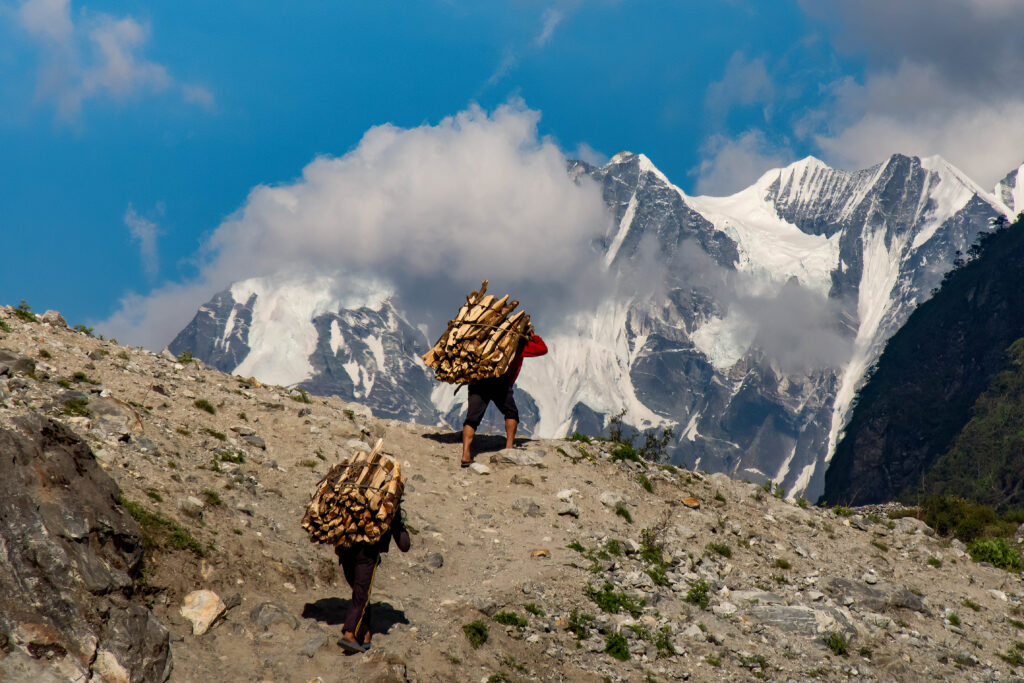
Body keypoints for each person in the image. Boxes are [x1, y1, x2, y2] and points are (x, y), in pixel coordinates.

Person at [461, 332, 547, 467]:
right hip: (499, 380)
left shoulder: (484, 339)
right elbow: (542, 348)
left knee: (472, 419)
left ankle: (466, 454)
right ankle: (509, 448)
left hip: (477, 379)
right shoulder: (517, 344)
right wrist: (532, 335)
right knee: (511, 412)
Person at [335, 503, 411, 653]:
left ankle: (364, 631)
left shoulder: (350, 482)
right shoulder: (388, 494)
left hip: (344, 544)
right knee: (361, 592)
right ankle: (349, 634)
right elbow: (403, 543)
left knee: (359, 590)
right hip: (368, 551)